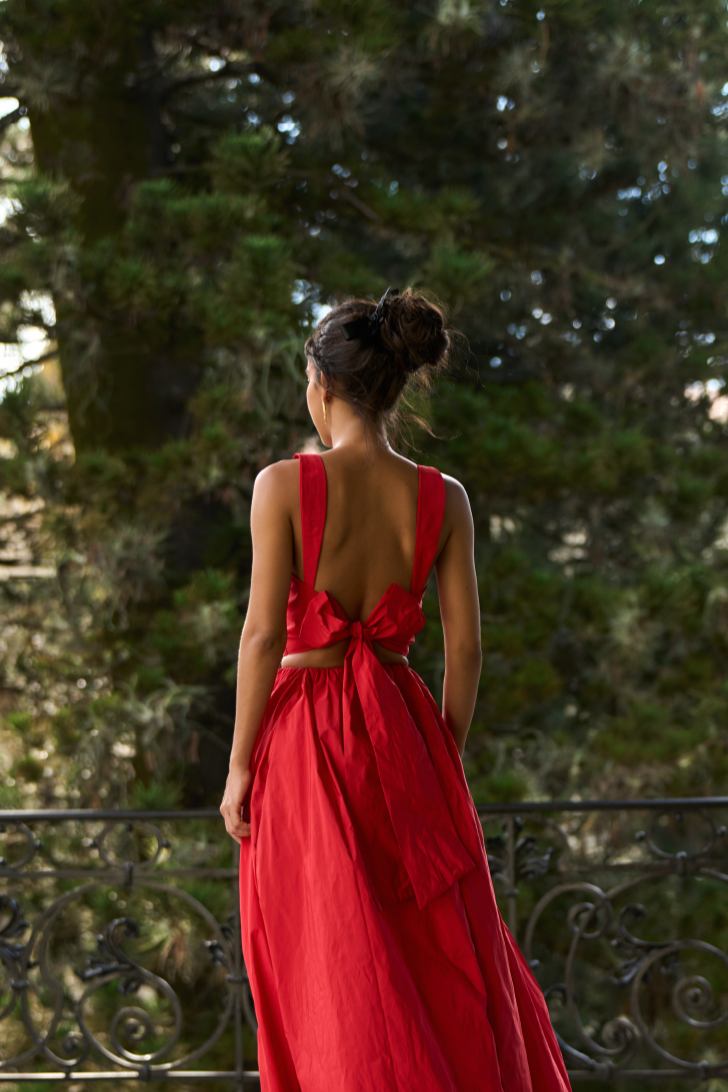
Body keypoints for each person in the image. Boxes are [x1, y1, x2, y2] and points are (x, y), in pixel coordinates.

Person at [220, 288, 571, 1092]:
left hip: (306, 742)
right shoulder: (444, 498)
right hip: (405, 729)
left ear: (322, 386)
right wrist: (437, 750)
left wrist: (239, 767)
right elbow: (468, 649)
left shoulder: (281, 486)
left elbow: (263, 636)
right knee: (435, 950)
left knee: (330, 959)